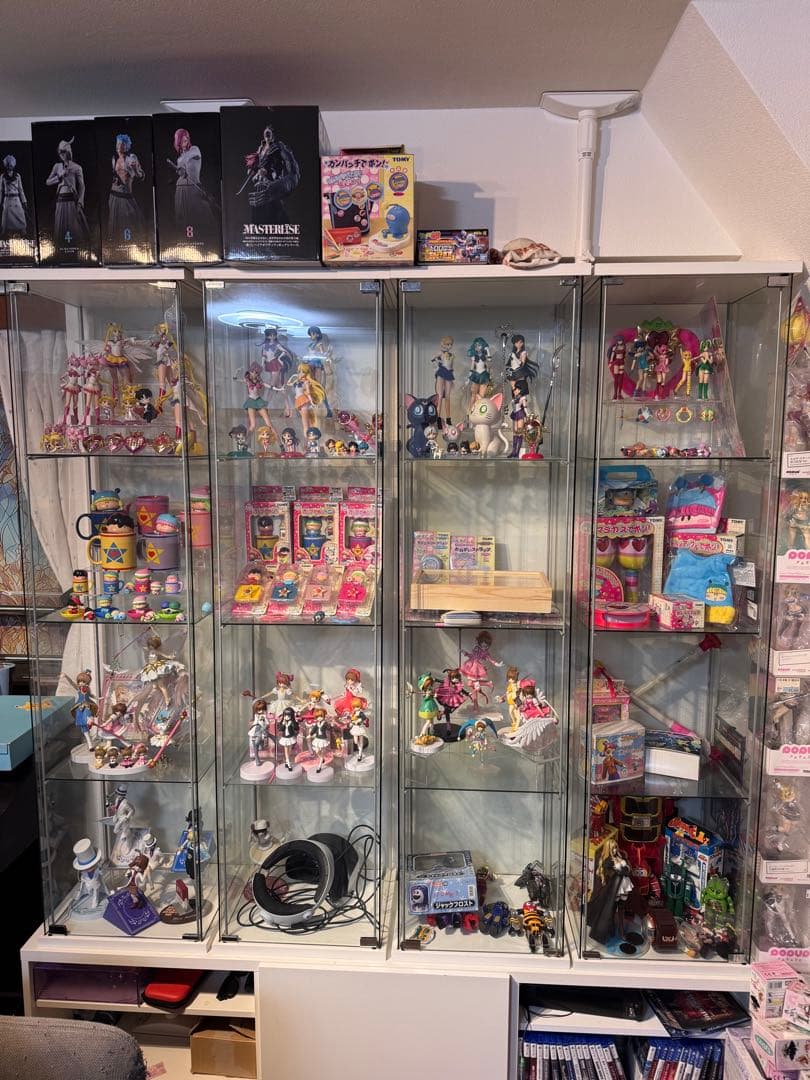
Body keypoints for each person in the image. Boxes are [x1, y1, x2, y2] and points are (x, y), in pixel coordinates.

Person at [242, 124, 300, 226]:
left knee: (278, 220)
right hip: (259, 191)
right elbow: (258, 164)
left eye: (270, 132)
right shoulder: (261, 148)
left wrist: (277, 187)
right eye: (266, 132)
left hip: (273, 188)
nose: (267, 134)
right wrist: (254, 169)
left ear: (274, 134)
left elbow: (294, 173)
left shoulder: (279, 147)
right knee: (257, 223)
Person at [170, 127, 217, 231]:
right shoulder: (180, 157)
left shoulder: (194, 150)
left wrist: (180, 167)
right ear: (178, 141)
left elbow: (186, 158)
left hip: (194, 187)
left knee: (203, 217)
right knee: (183, 219)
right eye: (182, 138)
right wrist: (180, 171)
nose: (185, 139)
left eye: (186, 137)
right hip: (181, 188)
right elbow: (182, 169)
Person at [45, 137, 89, 247]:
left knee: (74, 227)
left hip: (72, 200)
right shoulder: (57, 166)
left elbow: (82, 186)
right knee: (60, 228)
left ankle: (76, 249)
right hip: (60, 201)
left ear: (68, 152)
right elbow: (48, 182)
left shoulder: (77, 167)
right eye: (60, 152)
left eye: (63, 152)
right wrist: (59, 177)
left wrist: (80, 202)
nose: (61, 154)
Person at [107, 133, 145, 242]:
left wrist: (135, 169)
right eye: (118, 143)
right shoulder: (114, 158)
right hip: (113, 195)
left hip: (126, 196)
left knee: (130, 224)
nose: (119, 146)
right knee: (114, 224)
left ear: (126, 146)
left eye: (122, 144)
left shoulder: (131, 158)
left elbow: (141, 176)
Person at [0, 154, 28, 237]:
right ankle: (4, 232)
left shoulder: (17, 176)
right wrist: (0, 202)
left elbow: (21, 189)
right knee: (6, 218)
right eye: (9, 164)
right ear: (6, 165)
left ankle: (23, 232)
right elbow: (1, 190)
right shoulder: (2, 176)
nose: (10, 166)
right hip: (7, 199)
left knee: (20, 216)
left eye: (11, 164)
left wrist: (24, 201)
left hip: (16, 199)